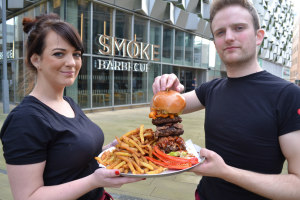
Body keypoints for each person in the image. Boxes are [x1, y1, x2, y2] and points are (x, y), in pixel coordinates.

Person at [151, 0, 300, 199]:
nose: (229, 37)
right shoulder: (211, 89)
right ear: (215, 43)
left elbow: (297, 185)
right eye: (220, 32)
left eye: (239, 28)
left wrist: (225, 172)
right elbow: (159, 107)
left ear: (258, 36)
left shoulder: (288, 94)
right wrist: (168, 89)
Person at [0, 14, 143, 200]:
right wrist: (94, 181)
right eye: (59, 53)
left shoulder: (69, 103)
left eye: (76, 54)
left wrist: (112, 150)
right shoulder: (25, 120)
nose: (72, 63)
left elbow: (70, 159)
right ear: (36, 60)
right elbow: (27, 197)